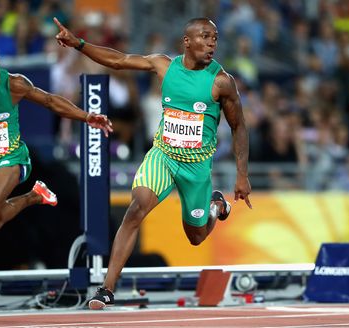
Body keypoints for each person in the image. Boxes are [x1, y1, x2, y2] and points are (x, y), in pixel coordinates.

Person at [54, 17, 252, 310]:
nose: (212, 43)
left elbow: (239, 127)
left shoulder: (222, 81)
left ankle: (215, 207)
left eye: (215, 38)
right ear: (187, 41)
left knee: (196, 237)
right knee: (136, 209)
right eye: (206, 37)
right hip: (163, 155)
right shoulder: (164, 65)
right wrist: (79, 44)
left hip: (196, 167)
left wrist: (242, 175)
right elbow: (119, 60)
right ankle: (107, 289)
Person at [0, 40, 112, 300]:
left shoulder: (15, 84)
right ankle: (34, 196)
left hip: (11, 159)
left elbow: (51, 101)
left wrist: (86, 117)